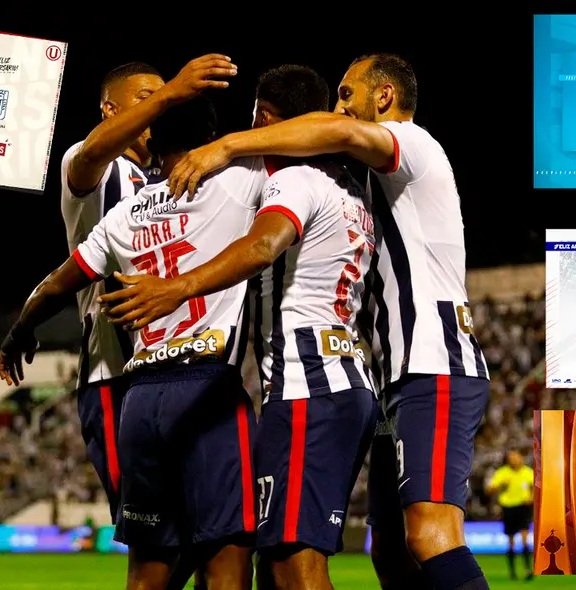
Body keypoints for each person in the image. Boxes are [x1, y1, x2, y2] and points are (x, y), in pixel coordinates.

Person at [158, 53, 491, 590]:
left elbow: (333, 130)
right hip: (388, 376)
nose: (338, 107)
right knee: (387, 549)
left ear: (382, 97)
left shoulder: (414, 143)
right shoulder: (357, 188)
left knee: (430, 534)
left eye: (345, 92)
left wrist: (225, 144)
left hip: (433, 360)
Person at [98, 65, 378, 589]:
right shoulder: (353, 186)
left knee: (294, 565)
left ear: (266, 119)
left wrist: (178, 287)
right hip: (339, 375)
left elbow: (260, 247)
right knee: (271, 562)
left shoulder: (292, 179)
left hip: (307, 384)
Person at [0, 94, 269, 590]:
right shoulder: (239, 178)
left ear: (154, 143)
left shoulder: (124, 215)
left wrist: (20, 329)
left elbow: (60, 282)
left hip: (140, 401)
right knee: (227, 562)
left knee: (147, 573)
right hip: (207, 389)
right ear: (211, 141)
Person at [59, 54, 236, 590]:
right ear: (110, 109)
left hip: (184, 377)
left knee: (211, 537)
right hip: (116, 379)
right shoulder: (94, 165)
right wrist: (173, 90)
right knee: (158, 545)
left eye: (168, 94)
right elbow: (88, 155)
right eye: (147, 96)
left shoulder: (176, 175)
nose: (167, 100)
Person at [486, 450, 534, 580]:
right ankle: (513, 573)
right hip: (508, 508)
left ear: (521, 458)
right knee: (511, 541)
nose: (514, 460)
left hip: (523, 507)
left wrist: (531, 497)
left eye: (516, 457)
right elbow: (489, 490)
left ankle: (528, 570)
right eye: (511, 458)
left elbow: (536, 489)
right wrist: (500, 485)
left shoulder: (528, 472)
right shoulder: (503, 473)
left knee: (525, 538)